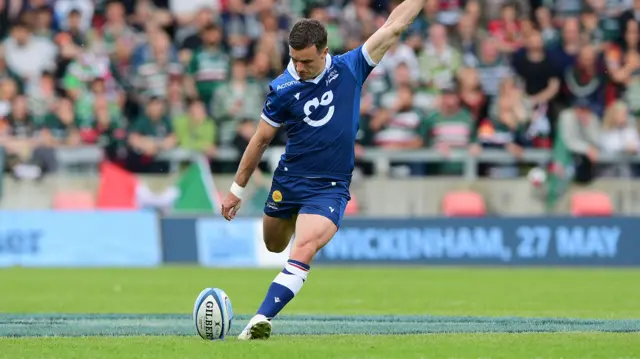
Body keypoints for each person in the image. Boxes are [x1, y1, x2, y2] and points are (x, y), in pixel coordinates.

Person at [220, 1, 429, 340]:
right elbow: (259, 141)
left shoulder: (351, 67)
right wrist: (236, 191)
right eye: (294, 59)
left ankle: (260, 319)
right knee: (274, 245)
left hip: (329, 187)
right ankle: (290, 227)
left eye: (306, 61)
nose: (298, 67)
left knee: (303, 249)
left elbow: (393, 26)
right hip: (289, 180)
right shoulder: (282, 89)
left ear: (325, 51)